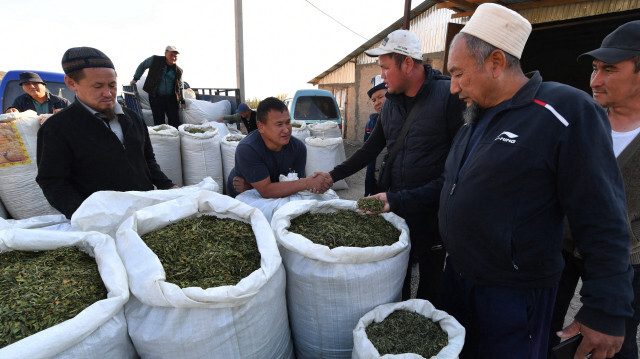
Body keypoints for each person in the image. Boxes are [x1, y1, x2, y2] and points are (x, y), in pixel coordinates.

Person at [371, 4, 634, 358]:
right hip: (459, 280)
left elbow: (602, 214)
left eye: (460, 73)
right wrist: (398, 199)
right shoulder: (474, 119)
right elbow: (451, 186)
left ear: (495, 63)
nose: (453, 88)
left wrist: (606, 308)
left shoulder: (564, 111)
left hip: (512, 296)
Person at [316, 29, 465, 304]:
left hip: (433, 213)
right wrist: (332, 175)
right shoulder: (390, 105)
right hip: (396, 209)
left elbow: (457, 173)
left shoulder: (448, 97)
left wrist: (396, 198)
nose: (382, 75)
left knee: (430, 284)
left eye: (385, 67)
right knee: (398, 276)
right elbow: (370, 149)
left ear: (407, 64)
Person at [548, 20, 640, 359]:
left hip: (627, 261)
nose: (595, 81)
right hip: (564, 246)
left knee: (615, 341)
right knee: (546, 329)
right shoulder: (581, 119)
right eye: (594, 68)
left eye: (610, 70)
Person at [36, 47, 177, 219]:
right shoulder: (57, 128)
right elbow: (53, 182)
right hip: (102, 220)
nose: (108, 93)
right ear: (71, 83)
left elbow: (147, 160)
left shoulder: (133, 118)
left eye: (112, 85)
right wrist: (85, 214)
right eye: (98, 86)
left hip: (145, 213)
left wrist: (168, 186)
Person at [226, 97, 330, 198]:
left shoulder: (298, 148)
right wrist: (307, 183)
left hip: (269, 192)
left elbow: (295, 184)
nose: (286, 130)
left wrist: (251, 185)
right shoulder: (248, 149)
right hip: (242, 196)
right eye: (279, 124)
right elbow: (266, 191)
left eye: (288, 122)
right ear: (261, 127)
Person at [130, 46, 186, 128]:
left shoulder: (178, 70)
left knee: (174, 121)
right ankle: (162, 138)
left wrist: (182, 100)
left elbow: (180, 86)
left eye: (175, 56)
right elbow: (142, 65)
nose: (173, 58)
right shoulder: (155, 60)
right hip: (156, 97)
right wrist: (135, 78)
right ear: (165, 53)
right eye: (171, 55)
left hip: (171, 99)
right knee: (159, 121)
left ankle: (174, 139)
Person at [5, 71, 70, 114]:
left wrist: (64, 114)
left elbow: (75, 119)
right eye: (27, 84)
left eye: (35, 83)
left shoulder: (62, 102)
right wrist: (10, 111)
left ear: (43, 85)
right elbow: (11, 120)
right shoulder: (20, 101)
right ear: (23, 88)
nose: (32, 86)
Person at [363, 75, 386, 197]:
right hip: (375, 183)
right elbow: (366, 154)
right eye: (373, 100)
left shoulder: (402, 122)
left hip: (393, 189)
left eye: (381, 97)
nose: (377, 103)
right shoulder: (371, 124)